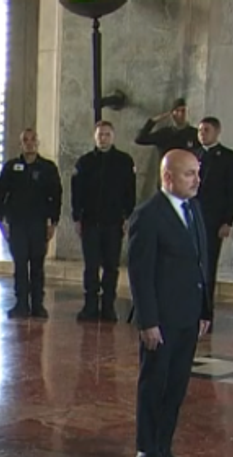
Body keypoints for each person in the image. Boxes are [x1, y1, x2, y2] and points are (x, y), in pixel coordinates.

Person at [127, 150, 212, 457]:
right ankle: (147, 450)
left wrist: (205, 309)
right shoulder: (148, 216)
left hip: (188, 317)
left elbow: (202, 262)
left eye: (197, 173)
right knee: (155, 385)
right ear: (168, 177)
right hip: (160, 321)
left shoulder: (194, 209)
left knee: (176, 387)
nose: (196, 180)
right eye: (189, 174)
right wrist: (148, 321)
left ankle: (164, 448)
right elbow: (140, 273)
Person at [71, 120, 137, 322]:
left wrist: (128, 216)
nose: (103, 138)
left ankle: (108, 306)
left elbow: (130, 193)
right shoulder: (85, 162)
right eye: (100, 135)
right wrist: (76, 217)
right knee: (91, 266)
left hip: (114, 222)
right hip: (90, 221)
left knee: (111, 266)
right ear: (95, 137)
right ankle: (90, 305)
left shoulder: (124, 161)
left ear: (113, 136)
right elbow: (76, 193)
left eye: (107, 134)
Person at [0, 128, 62, 319]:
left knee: (37, 265)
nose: (29, 143)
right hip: (17, 224)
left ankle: (38, 305)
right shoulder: (11, 167)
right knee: (20, 265)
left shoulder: (48, 168)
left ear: (38, 142)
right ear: (21, 144)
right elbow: (1, 194)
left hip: (38, 224)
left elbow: (56, 197)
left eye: (33, 139)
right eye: (25, 140)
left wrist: (53, 222)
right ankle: (21, 303)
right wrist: (2, 222)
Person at [194, 117, 233, 308]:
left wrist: (227, 221)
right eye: (199, 131)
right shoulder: (193, 155)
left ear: (217, 132)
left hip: (213, 220)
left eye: (206, 130)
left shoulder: (229, 158)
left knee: (208, 265)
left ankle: (205, 308)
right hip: (193, 218)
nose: (202, 134)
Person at [135, 98, 200, 157]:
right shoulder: (164, 133)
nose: (180, 114)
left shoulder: (195, 133)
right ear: (172, 114)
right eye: (177, 111)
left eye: (183, 111)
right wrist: (153, 121)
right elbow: (140, 139)